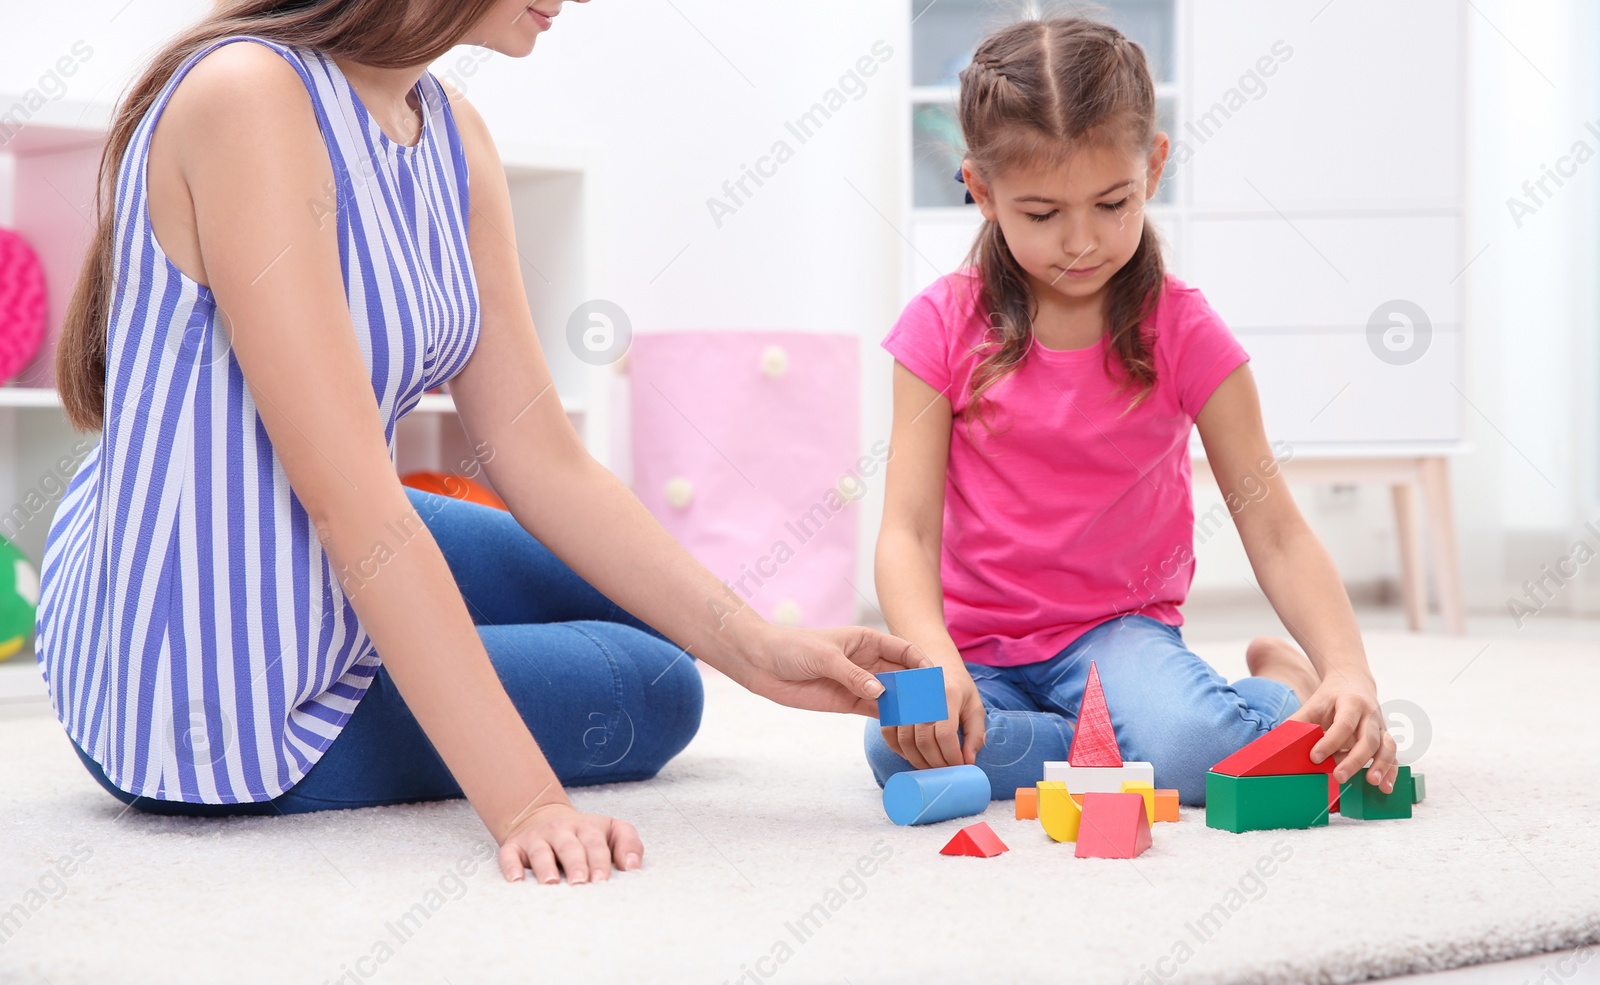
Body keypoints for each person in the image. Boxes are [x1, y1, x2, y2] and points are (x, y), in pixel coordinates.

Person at [35, 0, 926, 887]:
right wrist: (528, 803)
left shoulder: (455, 134)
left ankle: (431, 646)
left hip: (326, 541)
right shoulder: (250, 97)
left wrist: (759, 646)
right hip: (215, 682)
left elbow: (543, 457)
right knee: (657, 686)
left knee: (645, 610)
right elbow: (353, 505)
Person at [867, 16, 1397, 806]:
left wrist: (1348, 667)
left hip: (1117, 638)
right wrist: (933, 656)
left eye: (1112, 203)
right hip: (975, 650)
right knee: (894, 745)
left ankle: (1278, 693)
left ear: (1152, 167)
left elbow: (1276, 529)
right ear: (980, 189)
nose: (1081, 241)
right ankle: (1105, 750)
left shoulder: (1184, 331)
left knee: (1192, 755)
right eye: (1041, 214)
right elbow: (905, 531)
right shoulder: (939, 327)